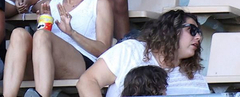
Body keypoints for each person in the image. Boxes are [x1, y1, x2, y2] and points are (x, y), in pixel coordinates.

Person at [0, 0, 110, 97]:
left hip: (83, 64)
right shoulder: (50, 5)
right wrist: (43, 25)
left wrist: (72, 33)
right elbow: (41, 45)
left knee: (42, 36)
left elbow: (104, 50)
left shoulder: (99, 3)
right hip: (48, 65)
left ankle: (41, 95)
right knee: (19, 33)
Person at [74, 9, 209, 97]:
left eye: (199, 33)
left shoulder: (195, 78)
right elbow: (88, 81)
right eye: (192, 30)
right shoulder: (131, 50)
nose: (198, 37)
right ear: (170, 30)